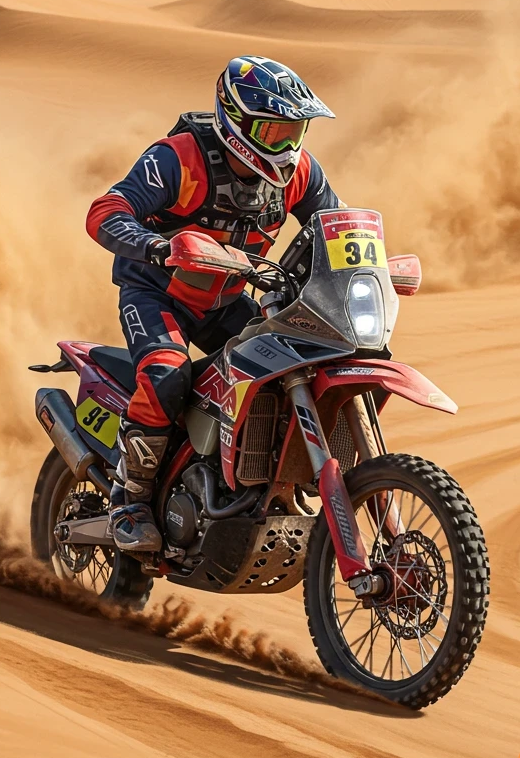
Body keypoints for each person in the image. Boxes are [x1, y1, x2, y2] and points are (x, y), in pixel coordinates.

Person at [86, 55, 342, 552]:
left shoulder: (299, 172)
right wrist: (155, 246)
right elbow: (106, 211)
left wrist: (368, 265)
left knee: (295, 363)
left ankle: (256, 475)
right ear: (235, 122)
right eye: (273, 132)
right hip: (158, 294)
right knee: (166, 373)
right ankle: (129, 499)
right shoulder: (178, 159)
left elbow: (333, 227)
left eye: (294, 131)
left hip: (226, 300)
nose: (287, 146)